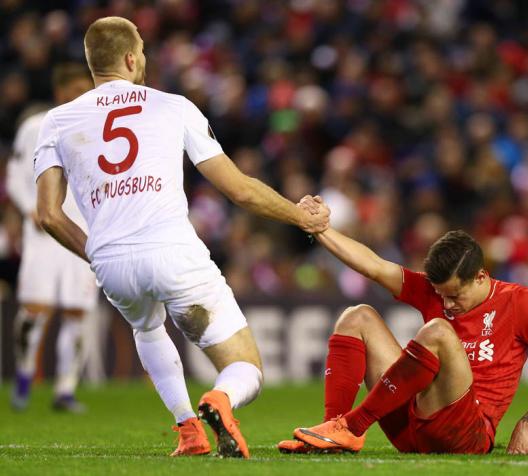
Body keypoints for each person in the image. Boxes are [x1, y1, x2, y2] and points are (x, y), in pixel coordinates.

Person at [33, 16, 329, 458]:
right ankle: (220, 399)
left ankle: (188, 429)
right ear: (132, 58)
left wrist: (95, 253)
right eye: (144, 51)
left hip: (111, 264)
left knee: (146, 327)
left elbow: (49, 215)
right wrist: (300, 217)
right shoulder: (173, 106)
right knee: (246, 366)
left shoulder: (55, 121)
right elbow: (239, 189)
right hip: (172, 251)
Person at [279, 196, 528, 455]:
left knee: (438, 331)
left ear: (480, 276)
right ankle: (334, 430)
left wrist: (527, 423)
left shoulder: (519, 302)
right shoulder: (436, 292)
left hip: (466, 434)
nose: (447, 304)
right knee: (357, 315)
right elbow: (373, 265)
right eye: (440, 295)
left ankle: (354, 425)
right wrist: (320, 228)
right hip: (412, 423)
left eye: (454, 295)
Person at [7, 63, 98, 413]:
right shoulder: (36, 126)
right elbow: (15, 176)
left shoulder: (98, 128)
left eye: (84, 89)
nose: (80, 96)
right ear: (60, 92)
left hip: (84, 233)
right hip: (45, 232)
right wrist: (31, 206)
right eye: (74, 90)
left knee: (77, 312)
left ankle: (65, 389)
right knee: (36, 308)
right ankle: (25, 376)